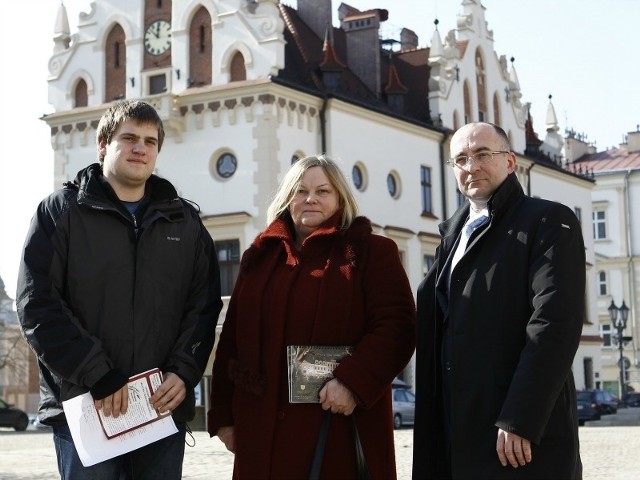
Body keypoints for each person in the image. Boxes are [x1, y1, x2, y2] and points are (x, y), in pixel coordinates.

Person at [16, 100, 223, 479]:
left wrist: (185, 370)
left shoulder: (186, 222)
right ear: (103, 144)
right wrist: (98, 374)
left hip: (159, 407)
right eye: (128, 138)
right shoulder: (59, 213)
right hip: (86, 403)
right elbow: (37, 305)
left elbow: (204, 305)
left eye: (149, 141)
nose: (139, 148)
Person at [207, 155, 416, 479]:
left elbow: (398, 327)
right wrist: (223, 415)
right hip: (261, 433)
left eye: (323, 191)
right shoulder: (259, 258)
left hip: (339, 424)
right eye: (300, 190)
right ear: (287, 198)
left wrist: (353, 383)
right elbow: (232, 338)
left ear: (340, 198)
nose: (310, 199)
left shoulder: (370, 252)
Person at [412, 122, 585, 479]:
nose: (471, 166)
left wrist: (520, 416)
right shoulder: (451, 236)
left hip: (516, 435)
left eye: (481, 154)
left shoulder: (548, 221)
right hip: (455, 430)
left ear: (510, 162)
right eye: (460, 159)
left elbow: (554, 324)